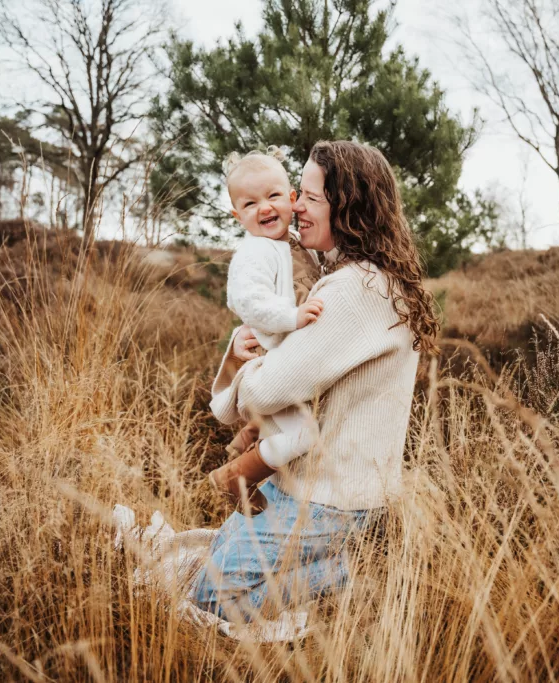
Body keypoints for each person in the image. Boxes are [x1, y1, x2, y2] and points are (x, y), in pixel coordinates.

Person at [190, 140, 439, 623]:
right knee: (211, 556)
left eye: (308, 196)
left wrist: (249, 366)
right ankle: (341, 571)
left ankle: (350, 575)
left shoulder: (354, 290)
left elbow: (263, 392)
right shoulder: (375, 279)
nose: (295, 208)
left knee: (210, 597)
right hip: (326, 485)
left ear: (345, 206)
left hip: (328, 496)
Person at [207, 148, 324, 512]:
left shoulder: (295, 245)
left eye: (273, 196)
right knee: (304, 433)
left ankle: (244, 443)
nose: (264, 208)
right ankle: (233, 477)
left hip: (291, 353)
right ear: (237, 215)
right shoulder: (255, 252)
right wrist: (291, 317)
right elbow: (248, 299)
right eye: (250, 203)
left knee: (292, 416)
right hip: (274, 355)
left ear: (292, 199)